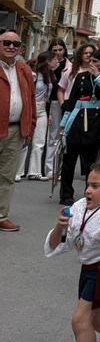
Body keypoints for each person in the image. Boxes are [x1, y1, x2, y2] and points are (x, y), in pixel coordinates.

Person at [45, 158, 100, 342]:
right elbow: (55, 244)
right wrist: (60, 227)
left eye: (95, 186)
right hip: (88, 265)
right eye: (88, 184)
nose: (88, 190)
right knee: (94, 317)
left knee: (80, 320)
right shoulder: (80, 206)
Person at [59, 43, 100, 206]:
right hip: (77, 118)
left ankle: (89, 194)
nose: (92, 64)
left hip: (96, 121)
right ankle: (66, 194)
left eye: (95, 61)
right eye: (91, 61)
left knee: (91, 162)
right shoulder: (82, 76)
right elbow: (72, 100)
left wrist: (97, 76)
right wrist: (64, 124)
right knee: (69, 158)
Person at [0, 29, 35, 231]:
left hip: (15, 131)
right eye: (6, 43)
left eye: (16, 44)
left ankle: (1, 215)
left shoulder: (23, 70)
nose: (11, 47)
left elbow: (30, 99)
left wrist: (30, 126)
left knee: (7, 176)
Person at [21, 51, 56, 180]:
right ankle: (18, 172)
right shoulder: (34, 74)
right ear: (47, 61)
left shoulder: (50, 75)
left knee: (40, 141)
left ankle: (34, 172)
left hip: (42, 109)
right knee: (25, 139)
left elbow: (48, 97)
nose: (57, 62)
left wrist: (49, 113)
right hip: (31, 107)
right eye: (54, 59)